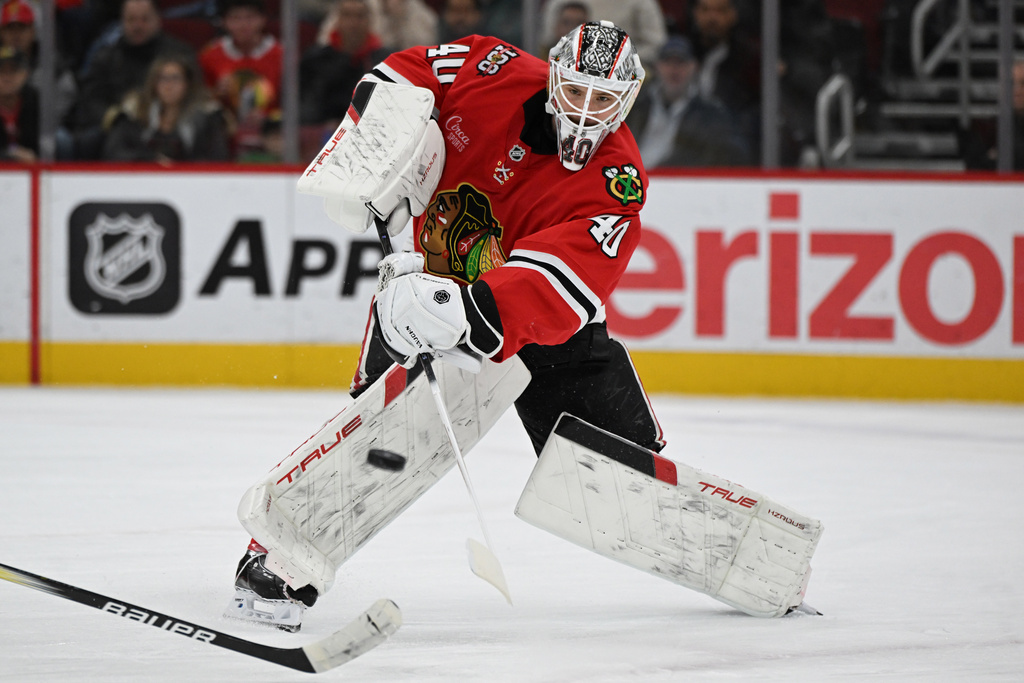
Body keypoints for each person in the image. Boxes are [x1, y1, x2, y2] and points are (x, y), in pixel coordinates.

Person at [232, 21, 662, 618]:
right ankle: (280, 561)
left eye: (604, 99)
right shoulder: (490, 68)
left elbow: (564, 280)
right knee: (384, 430)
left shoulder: (617, 182)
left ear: (629, 99)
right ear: (554, 73)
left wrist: (466, 310)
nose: (586, 112)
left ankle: (675, 516)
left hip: (523, 311)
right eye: (577, 91)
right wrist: (374, 149)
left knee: (606, 465)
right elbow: (401, 77)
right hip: (421, 283)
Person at [68, 0, 197, 158]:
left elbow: (196, 92)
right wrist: (118, 117)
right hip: (121, 129)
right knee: (91, 140)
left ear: (158, 19)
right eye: (131, 20)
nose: (137, 26)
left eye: (144, 19)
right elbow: (91, 100)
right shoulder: (105, 57)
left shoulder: (178, 54)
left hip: (170, 123)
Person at [626, 35, 751, 167]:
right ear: (657, 66)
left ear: (694, 67)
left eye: (681, 62)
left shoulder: (709, 115)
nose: (674, 70)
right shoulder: (634, 105)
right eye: (668, 62)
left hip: (679, 181)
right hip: (628, 177)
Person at [101, 54, 231, 162]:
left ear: (188, 83)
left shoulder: (207, 115)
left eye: (175, 78)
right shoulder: (134, 113)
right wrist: (151, 161)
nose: (169, 86)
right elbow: (114, 152)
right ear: (153, 83)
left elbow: (217, 157)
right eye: (163, 79)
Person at [198, 0, 282, 156]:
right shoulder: (210, 56)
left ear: (263, 19)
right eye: (235, 18)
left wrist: (269, 117)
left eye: (250, 17)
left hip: (273, 136)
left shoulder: (281, 55)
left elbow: (294, 103)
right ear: (223, 22)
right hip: (223, 137)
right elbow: (199, 101)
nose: (243, 25)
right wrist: (217, 93)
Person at [300, 0, 390, 125]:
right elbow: (306, 108)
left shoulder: (385, 61)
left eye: (360, 16)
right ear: (337, 20)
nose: (353, 23)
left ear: (370, 21)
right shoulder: (316, 60)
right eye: (347, 15)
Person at [0, 0, 78, 124]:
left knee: (60, 139)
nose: (16, 35)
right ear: (1, 33)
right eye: (10, 29)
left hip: (47, 126)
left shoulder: (50, 61)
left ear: (33, 30)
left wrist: (46, 119)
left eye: (21, 28)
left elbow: (67, 93)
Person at [540, 0, 666, 68]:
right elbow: (548, 41)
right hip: (563, 68)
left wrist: (619, 60)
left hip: (624, 74)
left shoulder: (641, 3)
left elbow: (657, 45)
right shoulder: (558, 3)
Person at [0, 45, 37, 162]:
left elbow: (44, 144)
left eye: (13, 70)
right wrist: (9, 155)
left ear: (26, 73)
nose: (7, 77)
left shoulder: (36, 101)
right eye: (1, 71)